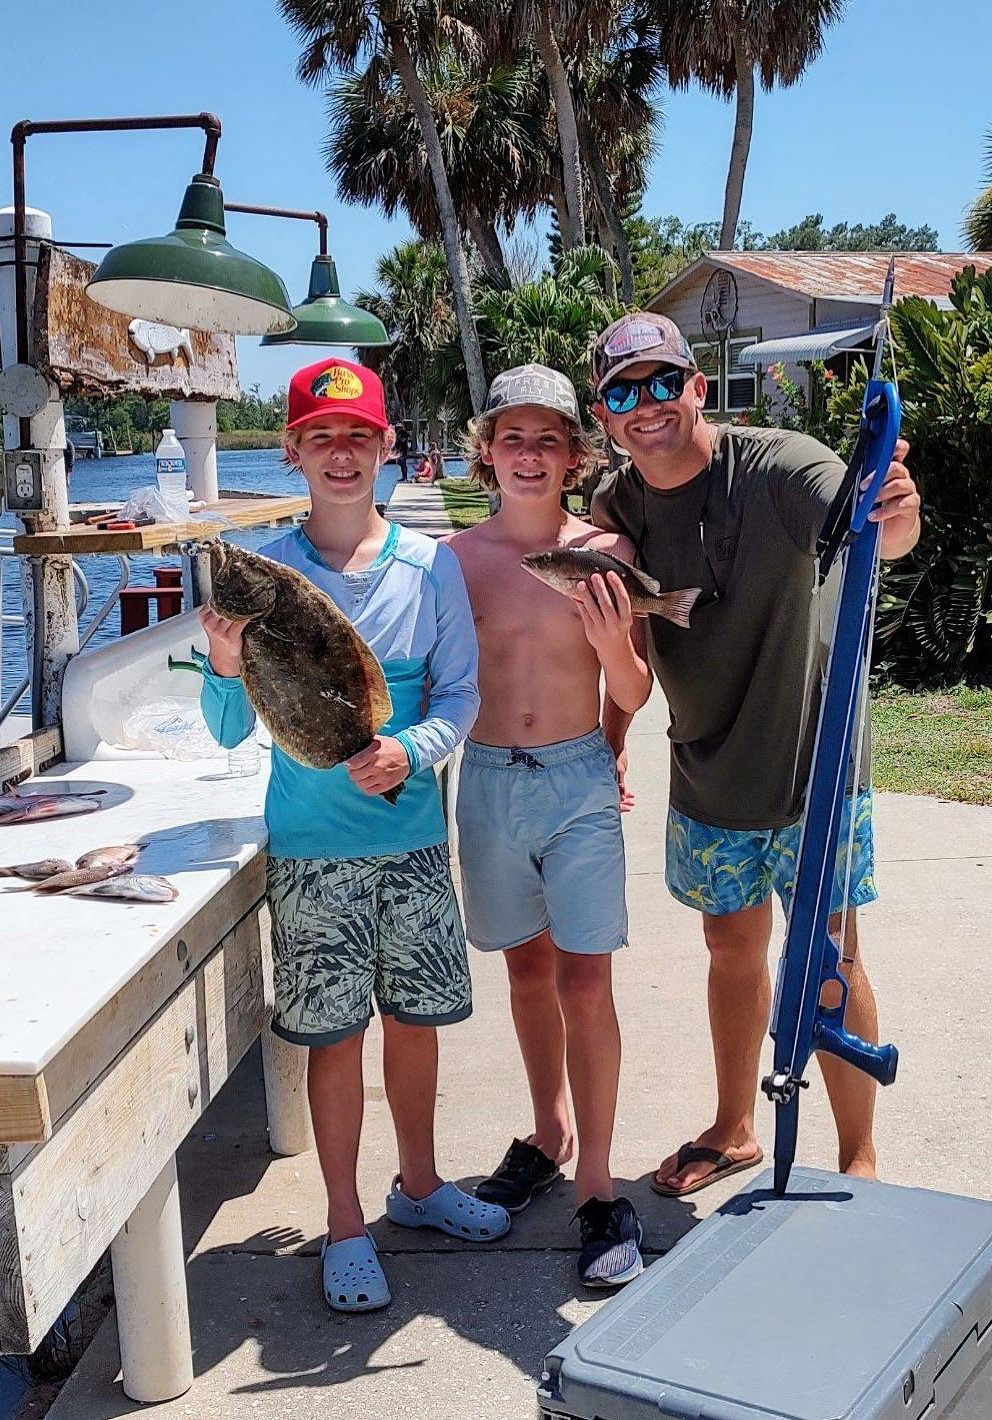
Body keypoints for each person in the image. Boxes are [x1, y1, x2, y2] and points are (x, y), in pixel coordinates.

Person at [194, 357, 508, 1314]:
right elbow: (225, 729)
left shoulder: (431, 566)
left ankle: (418, 1186)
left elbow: (459, 695)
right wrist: (219, 660)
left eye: (359, 437)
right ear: (293, 451)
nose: (342, 454)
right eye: (322, 438)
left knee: (415, 1026)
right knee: (334, 1039)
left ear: (385, 450)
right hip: (311, 853)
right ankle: (342, 1223)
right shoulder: (263, 578)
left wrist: (411, 751)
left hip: (411, 843)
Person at [587, 313, 921, 1197]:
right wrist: (615, 739)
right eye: (624, 391)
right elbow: (623, 642)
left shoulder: (779, 465)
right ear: (605, 414)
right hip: (708, 776)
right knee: (730, 952)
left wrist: (894, 514)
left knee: (834, 962)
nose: (647, 405)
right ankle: (736, 1128)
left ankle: (858, 1154)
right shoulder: (617, 508)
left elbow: (871, 527)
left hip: (819, 773)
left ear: (699, 386)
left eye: (665, 382)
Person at [447, 364, 652, 1287]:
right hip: (487, 779)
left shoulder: (605, 546)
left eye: (549, 441)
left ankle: (599, 1185)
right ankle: (548, 1130)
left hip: (576, 779)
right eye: (512, 438)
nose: (529, 456)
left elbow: (636, 688)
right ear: (486, 451)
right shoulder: (453, 558)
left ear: (575, 456)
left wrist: (611, 640)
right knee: (525, 969)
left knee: (586, 981)